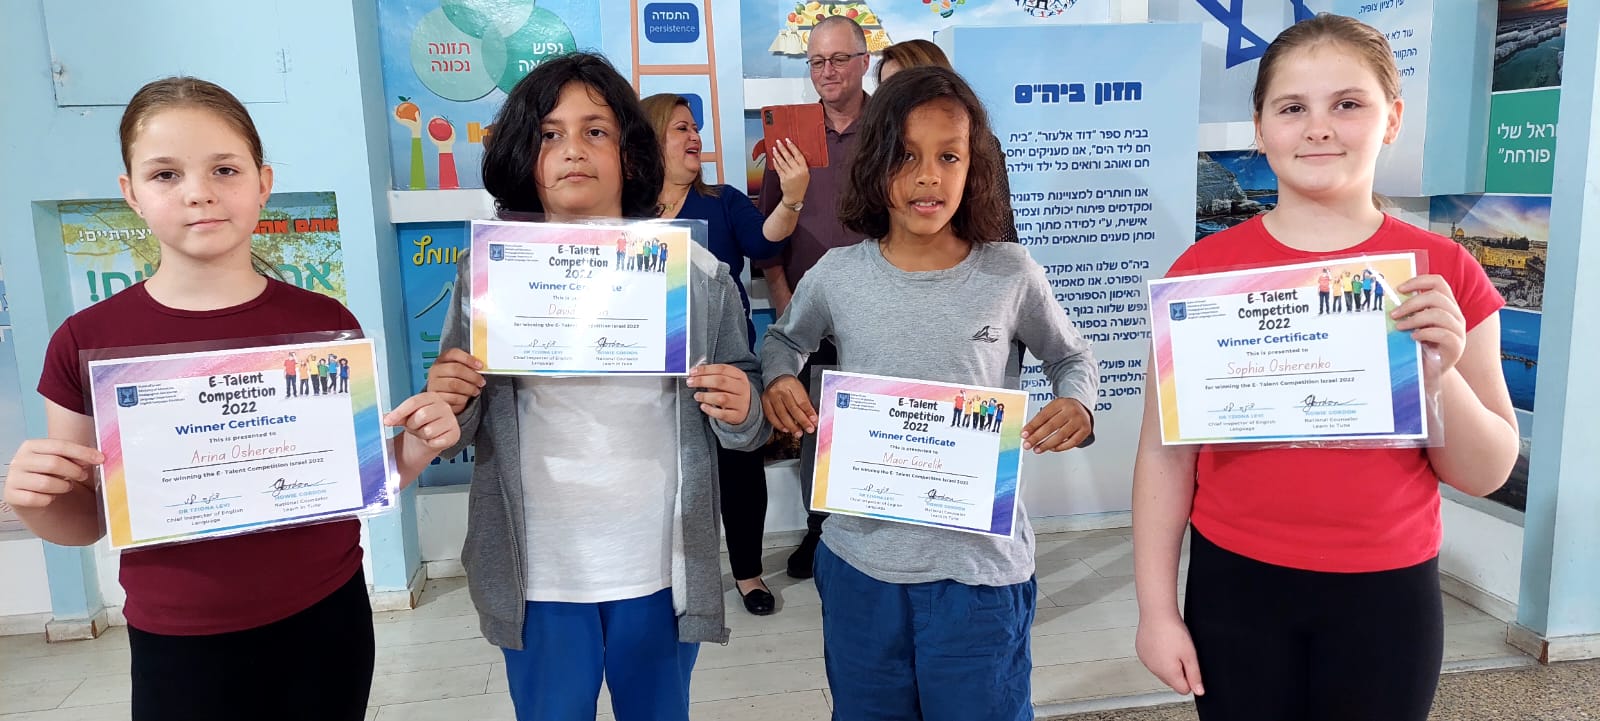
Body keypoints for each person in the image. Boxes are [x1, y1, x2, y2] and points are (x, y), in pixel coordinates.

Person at [2, 77, 459, 721]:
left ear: (263, 183)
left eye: (224, 169)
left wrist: (413, 448)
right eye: (166, 174)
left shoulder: (324, 323)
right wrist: (38, 502)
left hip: (327, 615)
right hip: (177, 635)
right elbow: (87, 520)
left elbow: (348, 482)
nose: (199, 192)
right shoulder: (85, 341)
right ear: (131, 192)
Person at [1131, 15, 1518, 721]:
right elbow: (1165, 452)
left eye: (1347, 103)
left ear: (1391, 118)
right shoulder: (1204, 274)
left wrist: (1439, 372)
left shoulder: (1443, 273)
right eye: (1292, 108)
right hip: (1235, 583)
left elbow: (1486, 471)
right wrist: (1155, 610)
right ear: (1259, 127)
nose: (1318, 128)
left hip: (1387, 593)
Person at [424, 52, 769, 721]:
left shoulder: (695, 273)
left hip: (659, 563)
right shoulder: (489, 274)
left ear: (631, 155)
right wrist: (451, 397)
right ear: (524, 155)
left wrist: (742, 404)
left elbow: (746, 413)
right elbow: (457, 423)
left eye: (596, 131)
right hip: (540, 568)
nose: (572, 150)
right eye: (549, 134)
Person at [761, 65, 1096, 721]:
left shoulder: (1009, 272)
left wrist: (1076, 400)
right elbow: (783, 339)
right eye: (906, 155)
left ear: (975, 167)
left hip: (978, 571)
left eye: (949, 156)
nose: (927, 177)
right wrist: (778, 376)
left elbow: (1071, 355)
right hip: (860, 562)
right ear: (875, 162)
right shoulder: (838, 274)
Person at [642, 92, 810, 616]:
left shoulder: (722, 200)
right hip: (651, 366)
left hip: (723, 358)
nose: (694, 137)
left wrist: (792, 199)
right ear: (650, 139)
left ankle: (748, 574)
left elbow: (764, 244)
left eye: (695, 128)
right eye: (680, 128)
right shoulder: (625, 208)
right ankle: (660, 576)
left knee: (739, 467)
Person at [757, 15, 873, 578]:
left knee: (879, 419)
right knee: (817, 429)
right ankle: (818, 531)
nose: (827, 72)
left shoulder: (893, 131)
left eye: (838, 59)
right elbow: (767, 238)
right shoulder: (789, 137)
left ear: (864, 62)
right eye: (816, 62)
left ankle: (876, 526)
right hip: (810, 314)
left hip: (882, 309)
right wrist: (785, 304)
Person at [877, 39, 1019, 246]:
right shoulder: (878, 144)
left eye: (948, 157)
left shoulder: (981, 144)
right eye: (885, 88)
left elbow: (1000, 228)